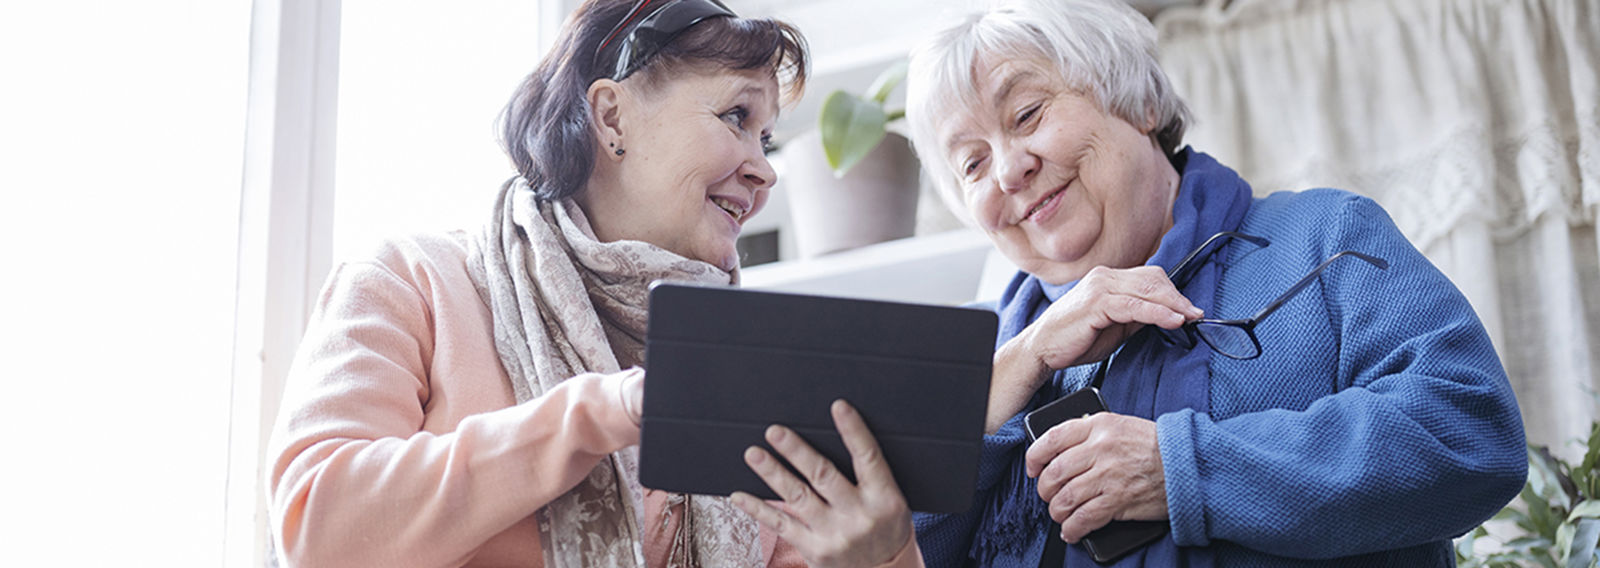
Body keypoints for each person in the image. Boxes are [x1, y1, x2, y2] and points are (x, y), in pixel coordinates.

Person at [736, 0, 1528, 566]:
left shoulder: (1325, 236)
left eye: (1027, 114)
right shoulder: (980, 356)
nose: (1009, 170)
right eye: (971, 162)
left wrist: (1182, 467)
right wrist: (1022, 365)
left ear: (1139, 101)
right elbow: (893, 545)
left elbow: (1468, 431)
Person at [263, 0, 837, 566]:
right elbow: (318, 529)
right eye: (737, 116)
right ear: (612, 117)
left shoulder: (746, 372)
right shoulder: (410, 281)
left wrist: (884, 555)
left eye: (765, 139)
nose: (765, 172)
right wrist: (603, 412)